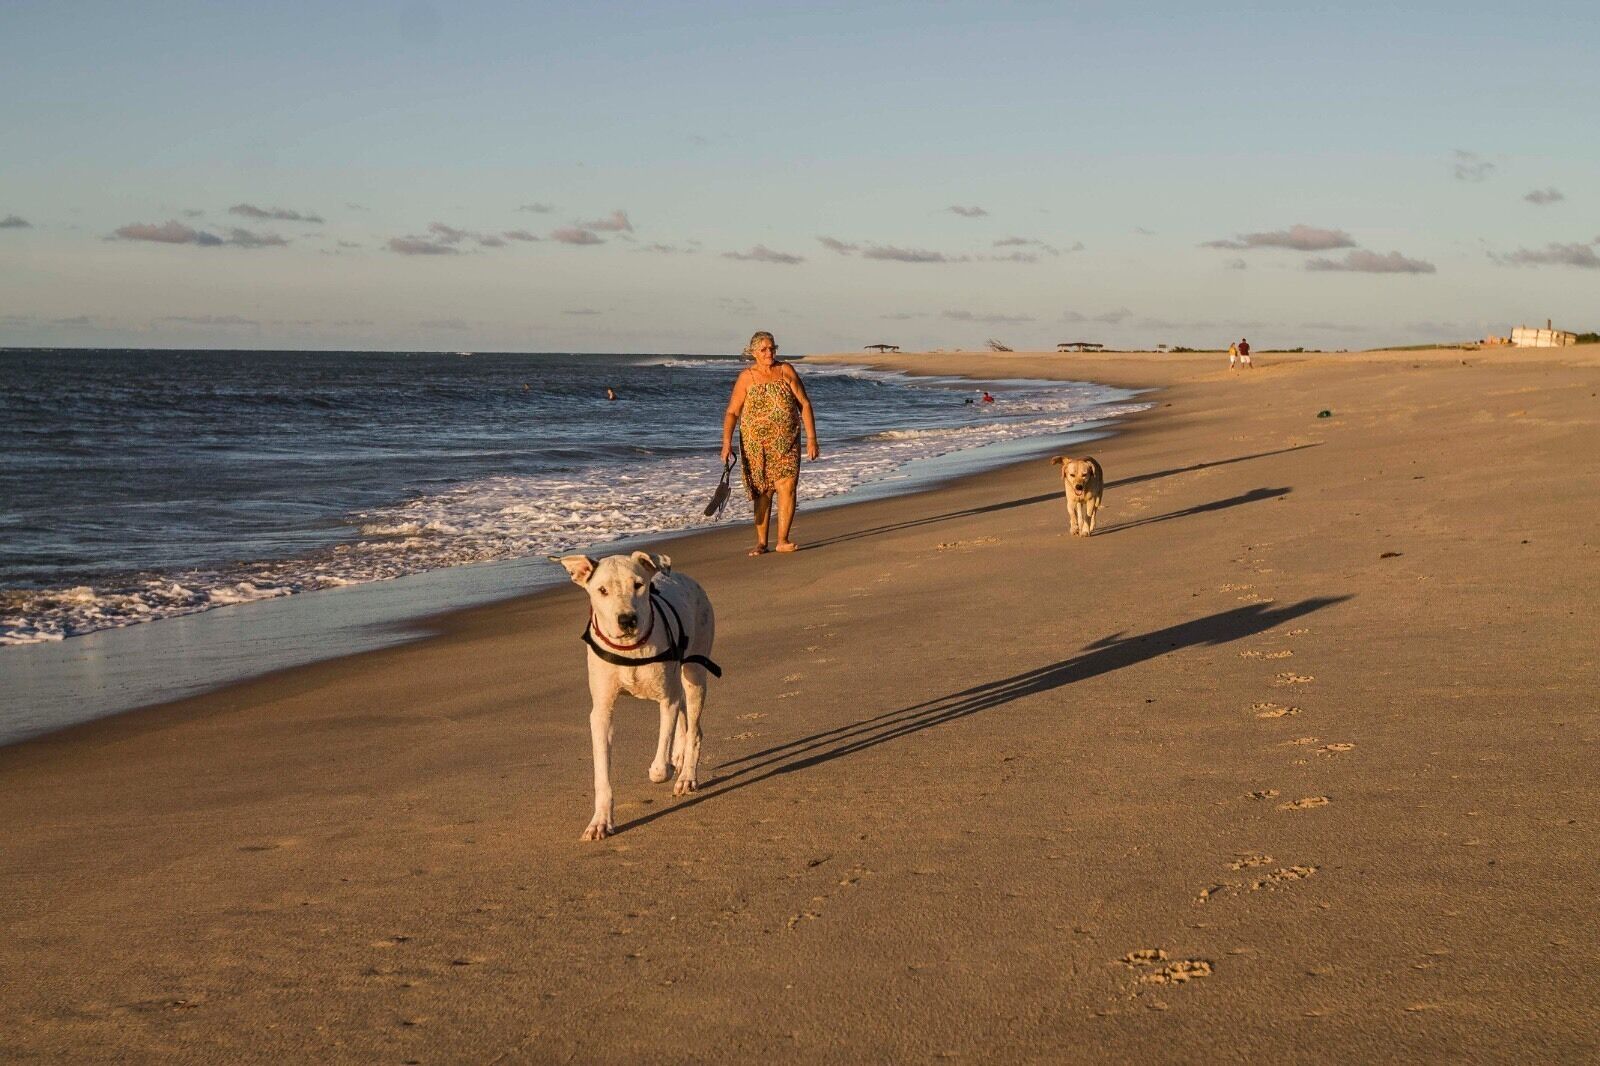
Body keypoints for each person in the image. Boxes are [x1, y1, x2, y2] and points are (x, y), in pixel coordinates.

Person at [720, 331, 820, 555]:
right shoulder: (747, 377)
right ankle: (762, 543)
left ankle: (783, 540)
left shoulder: (786, 371)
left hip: (787, 442)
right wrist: (726, 443)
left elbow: (804, 404)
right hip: (756, 446)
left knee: (788, 487)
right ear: (753, 352)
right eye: (764, 349)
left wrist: (812, 439)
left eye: (772, 348)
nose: (769, 353)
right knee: (762, 492)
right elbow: (732, 412)